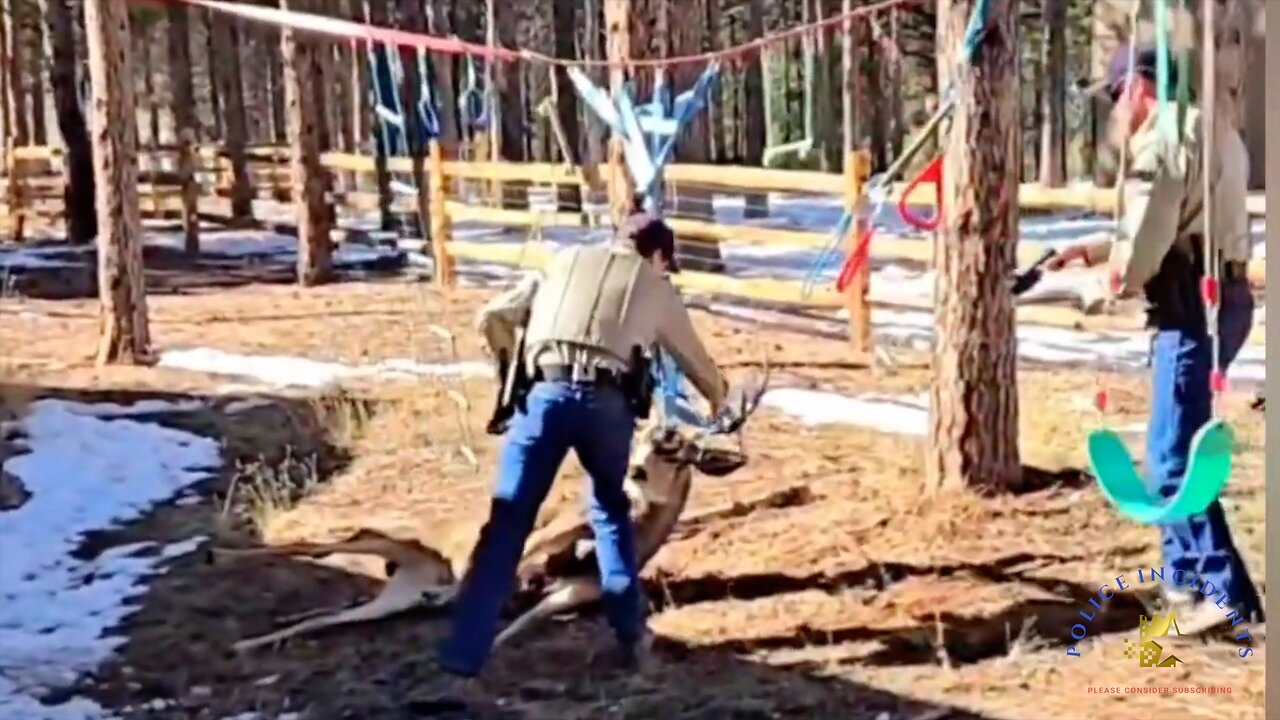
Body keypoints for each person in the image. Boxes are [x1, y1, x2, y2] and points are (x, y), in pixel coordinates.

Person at [425, 211, 729, 705]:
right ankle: (632, 638)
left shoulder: (561, 261)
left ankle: (460, 664)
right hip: (607, 405)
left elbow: (493, 317)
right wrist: (720, 402)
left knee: (506, 526)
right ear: (658, 256)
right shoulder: (655, 285)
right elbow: (697, 364)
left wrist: (510, 371)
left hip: (542, 396)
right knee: (610, 512)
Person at [1048, 45, 1262, 630]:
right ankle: (1185, 586)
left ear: (1138, 88)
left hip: (1192, 304)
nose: (1116, 112)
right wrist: (1089, 250)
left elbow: (1144, 243)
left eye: (1116, 98)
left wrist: (1099, 283)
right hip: (1219, 295)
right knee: (1175, 445)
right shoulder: (1210, 130)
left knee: (1172, 461)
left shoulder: (1161, 142)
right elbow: (1177, 216)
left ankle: (1224, 596)